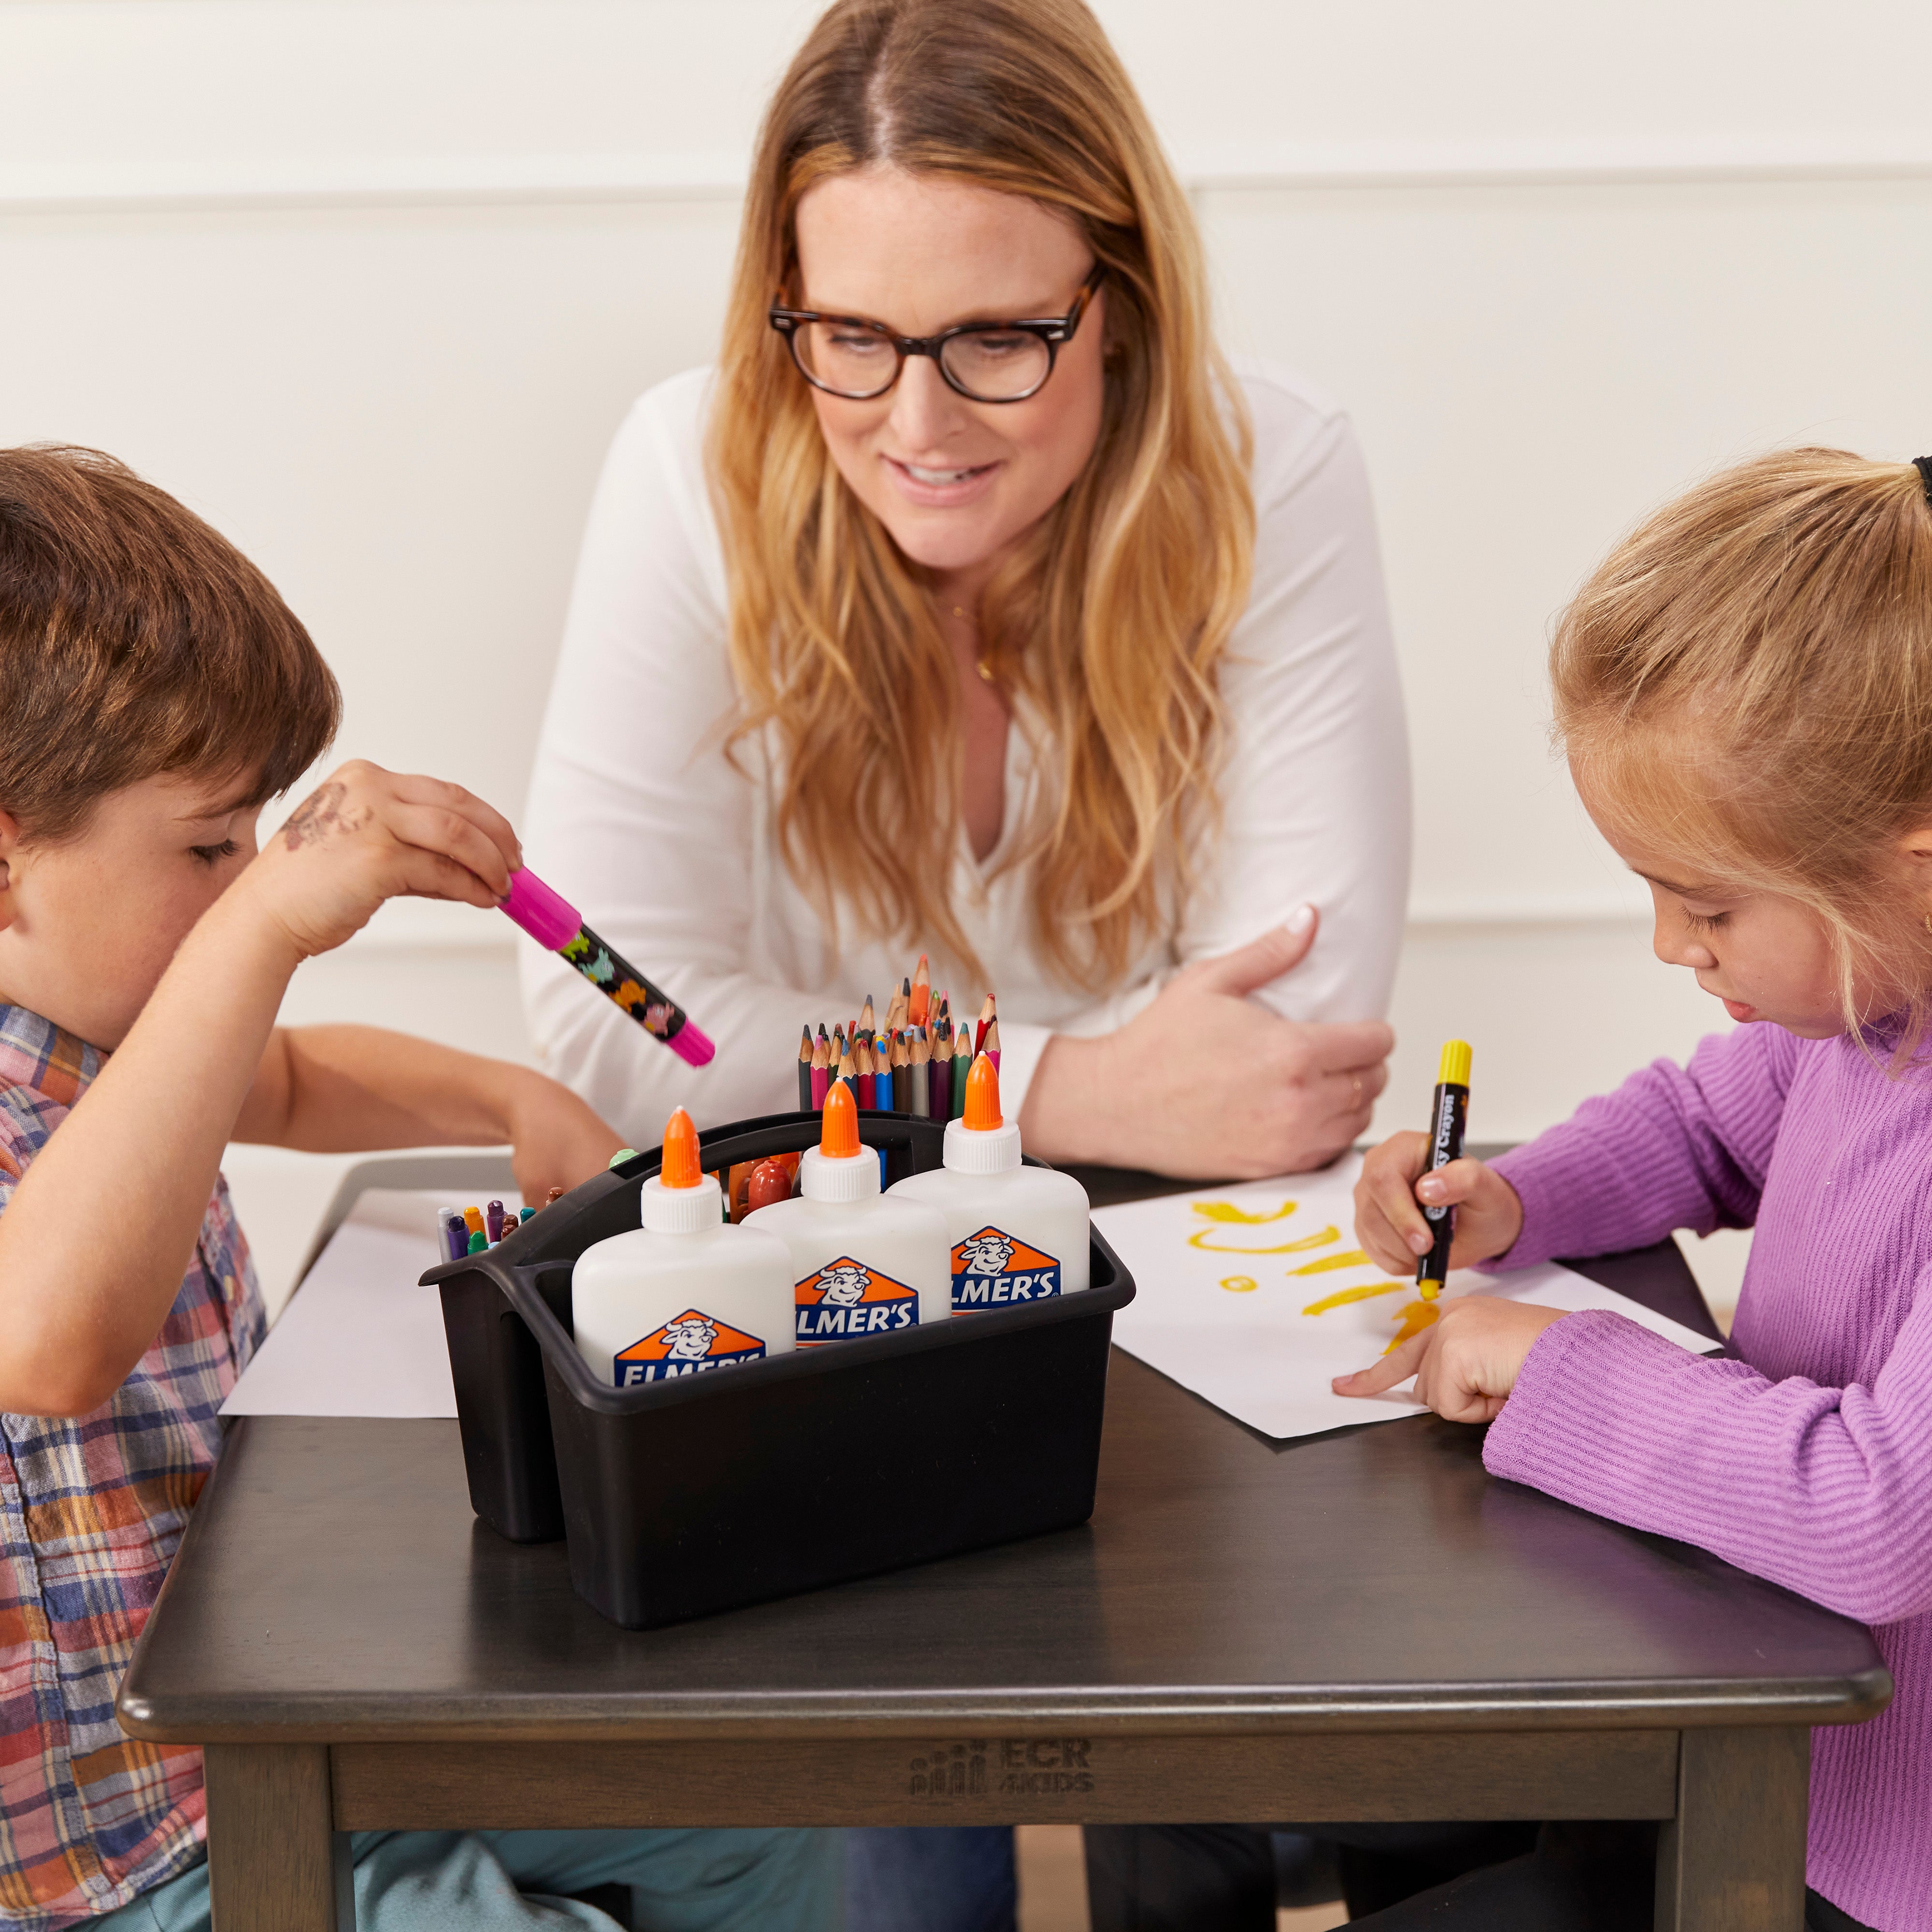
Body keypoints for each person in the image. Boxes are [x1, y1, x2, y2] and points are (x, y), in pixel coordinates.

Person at [0, 446, 842, 1932]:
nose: (245, 877)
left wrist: (507, 1095)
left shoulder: (110, 1026)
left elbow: (300, 1080)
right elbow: (53, 1341)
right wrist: (258, 929)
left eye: (252, 840)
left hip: (268, 1727)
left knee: (762, 1813)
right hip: (107, 1864)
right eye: (205, 847)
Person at [521, 0, 1409, 1193]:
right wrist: (1071, 1087)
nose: (918, 427)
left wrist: (817, 1064)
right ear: (786, 293)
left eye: (995, 340)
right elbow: (618, 1015)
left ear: (1121, 305)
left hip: (1181, 1233)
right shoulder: (687, 467)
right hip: (816, 1236)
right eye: (850, 333)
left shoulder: (1270, 468)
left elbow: (1286, 1045)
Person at [1330, 448, 1932, 1932]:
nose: (1673, 947)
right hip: (1757, 1732)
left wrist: (1561, 1368)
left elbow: (1877, 1513)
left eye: (1710, 904)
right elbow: (1707, 1131)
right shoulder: (1867, 1013)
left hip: (1879, 1852)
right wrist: (1516, 1198)